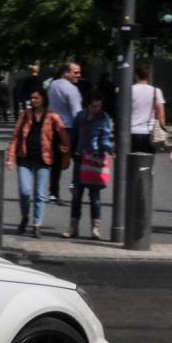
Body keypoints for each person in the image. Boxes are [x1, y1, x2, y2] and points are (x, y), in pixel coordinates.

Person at [7, 88, 70, 238]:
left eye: (36, 98)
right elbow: (15, 137)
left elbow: (64, 136)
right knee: (25, 191)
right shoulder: (25, 115)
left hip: (43, 159)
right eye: (32, 98)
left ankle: (37, 225)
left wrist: (65, 150)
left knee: (39, 194)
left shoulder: (52, 117)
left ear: (43, 99)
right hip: (24, 159)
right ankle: (24, 217)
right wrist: (10, 157)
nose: (33, 101)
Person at [63, 94, 113, 240]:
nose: (96, 109)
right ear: (87, 104)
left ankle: (95, 228)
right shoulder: (80, 116)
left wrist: (109, 148)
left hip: (96, 158)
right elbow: (73, 136)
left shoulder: (104, 117)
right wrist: (68, 153)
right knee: (77, 193)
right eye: (93, 106)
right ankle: (73, 227)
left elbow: (105, 137)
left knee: (95, 195)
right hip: (80, 156)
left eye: (98, 105)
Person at [47, 62, 83, 205]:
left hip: (53, 126)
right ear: (66, 72)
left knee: (55, 161)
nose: (79, 75)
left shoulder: (52, 86)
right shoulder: (72, 90)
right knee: (78, 158)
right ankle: (75, 185)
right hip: (69, 128)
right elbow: (77, 114)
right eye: (76, 72)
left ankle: (53, 193)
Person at [130, 64, 165, 154]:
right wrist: (161, 131)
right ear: (148, 76)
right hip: (150, 132)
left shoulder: (130, 90)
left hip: (132, 131)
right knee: (146, 163)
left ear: (136, 75)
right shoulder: (156, 91)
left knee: (132, 161)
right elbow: (161, 114)